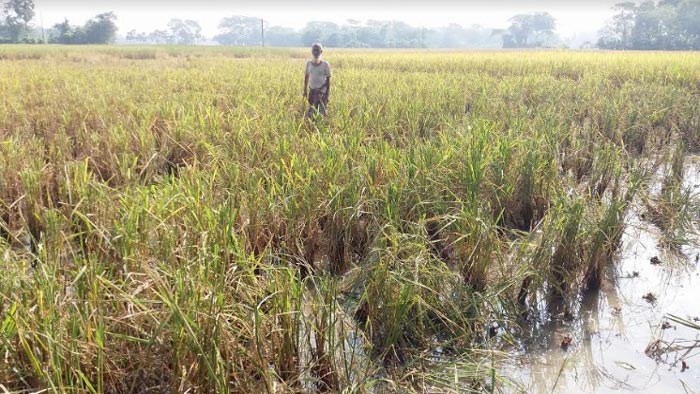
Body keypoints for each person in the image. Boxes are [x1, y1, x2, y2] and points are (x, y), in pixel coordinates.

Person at [303, 43, 331, 118]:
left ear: (321, 52)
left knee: (322, 113)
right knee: (312, 112)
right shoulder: (309, 64)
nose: (315, 52)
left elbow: (328, 80)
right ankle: (312, 126)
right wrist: (305, 90)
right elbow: (306, 77)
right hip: (312, 91)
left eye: (317, 50)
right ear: (311, 51)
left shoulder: (325, 64)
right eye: (314, 50)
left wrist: (327, 94)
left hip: (322, 92)